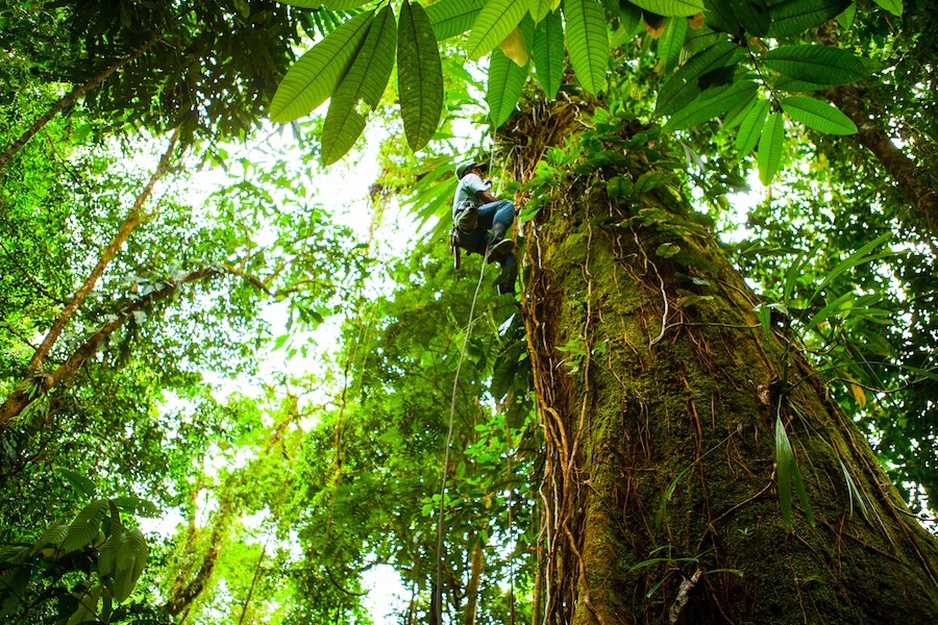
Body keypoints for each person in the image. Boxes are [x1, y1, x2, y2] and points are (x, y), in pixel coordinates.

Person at [451, 160, 517, 295]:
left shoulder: (469, 184)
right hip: (469, 218)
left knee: (509, 258)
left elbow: (485, 202)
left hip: (468, 238)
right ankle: (495, 242)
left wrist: (487, 186)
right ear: (467, 171)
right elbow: (486, 198)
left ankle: (507, 299)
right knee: (506, 205)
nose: (480, 173)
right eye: (477, 170)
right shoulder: (469, 178)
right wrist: (510, 209)